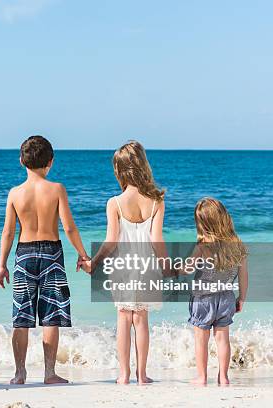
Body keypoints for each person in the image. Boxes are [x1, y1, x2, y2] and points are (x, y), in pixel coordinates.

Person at [0, 135, 90, 385]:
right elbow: (69, 228)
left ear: (21, 161)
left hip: (24, 255)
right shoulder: (57, 189)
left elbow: (7, 232)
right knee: (52, 314)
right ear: (51, 162)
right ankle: (49, 373)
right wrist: (83, 254)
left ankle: (20, 373)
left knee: (22, 316)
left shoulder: (15, 194)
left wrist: (2, 264)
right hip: (52, 254)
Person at [81, 141, 168, 384]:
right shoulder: (156, 202)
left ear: (119, 171)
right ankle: (142, 374)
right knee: (141, 319)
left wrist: (94, 262)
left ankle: (124, 374)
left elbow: (110, 242)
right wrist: (166, 265)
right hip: (147, 266)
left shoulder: (115, 203)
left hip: (122, 267)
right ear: (143, 165)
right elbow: (157, 239)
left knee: (123, 317)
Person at [179, 197, 248, 385]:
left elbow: (187, 268)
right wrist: (241, 298)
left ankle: (202, 377)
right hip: (226, 298)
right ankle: (224, 377)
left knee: (201, 339)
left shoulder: (202, 247)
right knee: (222, 339)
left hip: (203, 299)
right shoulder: (237, 246)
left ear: (202, 224)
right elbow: (243, 276)